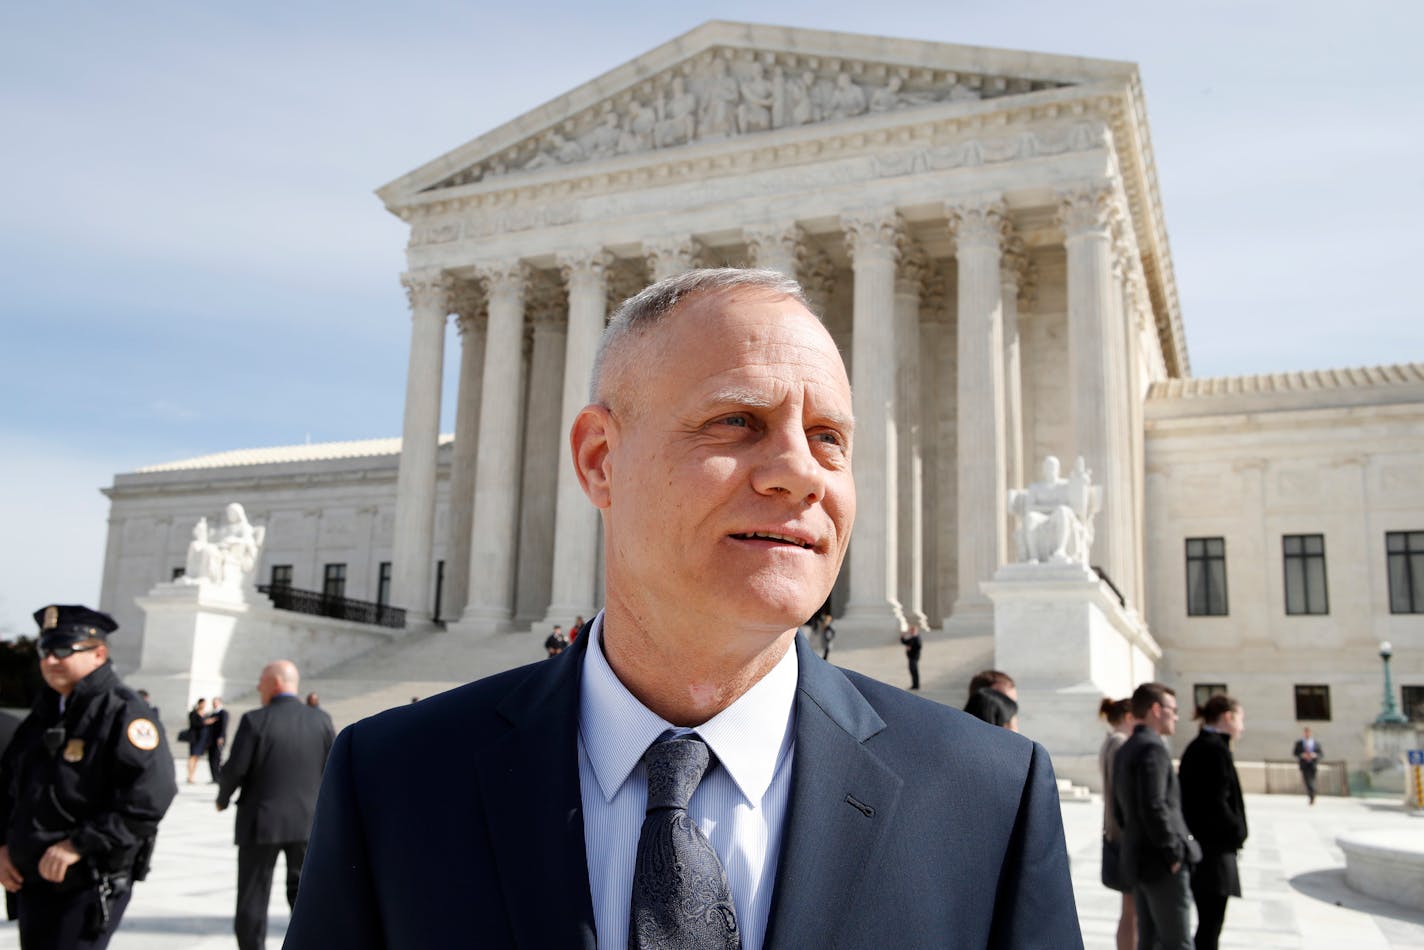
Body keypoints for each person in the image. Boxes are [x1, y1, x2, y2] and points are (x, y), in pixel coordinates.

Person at [285, 268, 1082, 948]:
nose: (800, 473)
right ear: (601, 461)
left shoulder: (986, 800)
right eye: (738, 420)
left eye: (830, 437)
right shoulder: (396, 784)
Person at [0, 604, 176, 949]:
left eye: (63, 650)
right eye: (45, 651)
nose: (49, 661)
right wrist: (2, 844)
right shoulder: (47, 711)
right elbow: (10, 784)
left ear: (99, 654)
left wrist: (78, 845)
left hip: (86, 882)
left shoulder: (123, 712)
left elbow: (150, 796)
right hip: (32, 880)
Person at [217, 660, 335, 950]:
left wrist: (223, 798)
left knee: (252, 897)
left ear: (277, 683)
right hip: (307, 823)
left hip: (261, 823)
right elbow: (331, 767)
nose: (258, 686)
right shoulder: (320, 720)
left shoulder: (255, 720)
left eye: (261, 680)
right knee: (305, 897)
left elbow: (236, 769)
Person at [1113, 681, 1200, 950]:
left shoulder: (1126, 747)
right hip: (1161, 863)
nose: (1176, 715)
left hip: (1139, 860)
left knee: (1149, 941)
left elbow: (1120, 809)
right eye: (1172, 709)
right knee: (1177, 942)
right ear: (1155, 709)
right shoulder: (1152, 748)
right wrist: (1173, 851)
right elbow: (1154, 805)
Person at [1178, 694, 1248, 950]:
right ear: (1228, 717)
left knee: (1208, 924)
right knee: (1210, 926)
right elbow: (1216, 803)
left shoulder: (1202, 745)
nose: (1242, 726)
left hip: (1206, 850)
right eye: (1240, 719)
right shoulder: (1213, 749)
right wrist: (1237, 831)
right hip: (1214, 853)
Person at [1097, 697, 1136, 950]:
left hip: (1114, 830)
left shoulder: (1110, 742)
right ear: (1129, 717)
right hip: (1124, 834)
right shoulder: (1120, 744)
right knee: (1133, 912)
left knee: (1130, 910)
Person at [1293, 726, 1322, 804]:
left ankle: (1312, 794)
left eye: (1308, 732)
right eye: (1306, 732)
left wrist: (1314, 755)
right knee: (1307, 781)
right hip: (1304, 765)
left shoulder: (1316, 743)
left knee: (1312, 780)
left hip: (1313, 764)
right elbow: (1295, 753)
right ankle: (1312, 794)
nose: (1307, 734)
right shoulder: (1299, 743)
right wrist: (1302, 755)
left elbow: (1320, 754)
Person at [185, 698, 211, 784]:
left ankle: (192, 775)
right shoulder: (193, 713)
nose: (203, 705)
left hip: (202, 738)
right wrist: (205, 722)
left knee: (197, 757)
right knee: (192, 756)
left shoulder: (205, 714)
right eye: (202, 704)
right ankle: (189, 776)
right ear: (199, 704)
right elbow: (194, 724)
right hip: (195, 737)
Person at [206, 696, 228, 784]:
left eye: (216, 702)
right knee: (211, 759)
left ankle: (218, 777)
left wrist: (221, 737)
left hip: (218, 739)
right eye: (213, 702)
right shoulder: (212, 714)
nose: (214, 704)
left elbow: (224, 726)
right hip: (211, 740)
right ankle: (214, 777)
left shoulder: (223, 713)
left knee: (217, 758)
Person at [899, 624, 921, 690]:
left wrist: (911, 648)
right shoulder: (912, 638)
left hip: (914, 657)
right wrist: (902, 636)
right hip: (911, 657)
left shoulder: (916, 638)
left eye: (912, 631)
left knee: (914, 671)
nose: (911, 632)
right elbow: (905, 642)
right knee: (912, 671)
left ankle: (916, 685)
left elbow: (919, 646)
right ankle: (914, 685)